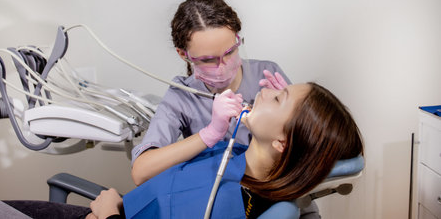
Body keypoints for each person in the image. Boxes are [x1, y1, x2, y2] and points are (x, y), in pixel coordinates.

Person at [85, 82, 364, 219]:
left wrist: (109, 211)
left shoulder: (230, 204)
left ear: (282, 143)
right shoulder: (236, 155)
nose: (264, 89)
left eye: (278, 97)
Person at [131, 0, 291, 183]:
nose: (223, 66)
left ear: (237, 39)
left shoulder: (267, 75)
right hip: (228, 202)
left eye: (230, 52)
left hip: (278, 191)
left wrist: (294, 116)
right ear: (183, 54)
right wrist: (209, 134)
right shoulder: (182, 95)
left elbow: (313, 150)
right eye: (208, 60)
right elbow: (141, 173)